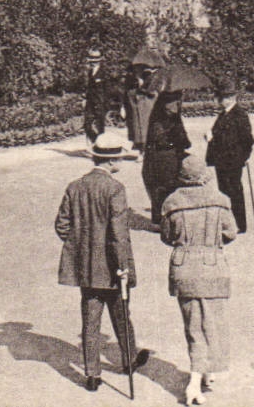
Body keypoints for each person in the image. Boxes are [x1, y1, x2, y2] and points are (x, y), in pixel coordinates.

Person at [56, 131, 152, 392]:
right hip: (111, 267)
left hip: (86, 267)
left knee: (90, 319)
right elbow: (119, 236)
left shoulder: (75, 186)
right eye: (120, 157)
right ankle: (129, 359)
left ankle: (92, 374)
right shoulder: (114, 189)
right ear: (111, 161)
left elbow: (62, 226)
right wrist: (123, 267)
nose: (121, 161)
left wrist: (81, 248)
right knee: (121, 314)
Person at [160, 155, 238, 405]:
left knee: (193, 325)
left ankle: (201, 372)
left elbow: (167, 236)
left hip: (184, 268)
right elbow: (230, 233)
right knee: (213, 323)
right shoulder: (220, 200)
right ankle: (198, 380)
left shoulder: (171, 203)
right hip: (213, 267)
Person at [204, 78, 254, 233]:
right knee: (224, 191)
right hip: (222, 160)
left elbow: (248, 140)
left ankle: (239, 225)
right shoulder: (224, 114)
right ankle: (229, 223)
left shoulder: (239, 115)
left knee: (234, 192)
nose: (219, 100)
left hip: (232, 161)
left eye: (222, 97)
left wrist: (242, 158)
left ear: (231, 98)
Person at [143, 89, 191, 225]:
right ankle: (161, 220)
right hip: (162, 158)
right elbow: (160, 139)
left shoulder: (173, 116)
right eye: (176, 101)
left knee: (170, 189)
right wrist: (176, 139)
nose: (178, 104)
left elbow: (182, 136)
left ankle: (168, 219)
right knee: (162, 189)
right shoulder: (159, 118)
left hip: (172, 157)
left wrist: (183, 141)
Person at [125, 65, 159, 151]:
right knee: (138, 124)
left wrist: (142, 84)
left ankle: (144, 147)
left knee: (145, 124)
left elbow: (153, 90)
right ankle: (140, 145)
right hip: (138, 100)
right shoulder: (134, 74)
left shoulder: (153, 73)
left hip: (147, 100)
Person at [83, 49, 110, 143]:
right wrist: (85, 99)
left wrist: (106, 104)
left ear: (100, 60)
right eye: (92, 60)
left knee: (100, 127)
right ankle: (95, 142)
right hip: (90, 102)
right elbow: (89, 88)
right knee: (87, 125)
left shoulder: (104, 72)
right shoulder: (90, 72)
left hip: (100, 103)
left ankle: (101, 147)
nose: (93, 62)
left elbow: (107, 90)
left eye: (96, 60)